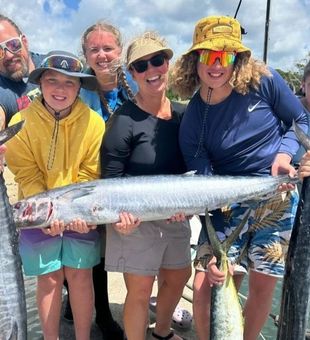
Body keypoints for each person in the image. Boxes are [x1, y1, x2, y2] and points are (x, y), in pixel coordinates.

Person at [170, 15, 308, 340]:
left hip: (277, 194)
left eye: (225, 55)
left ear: (238, 58)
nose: (216, 65)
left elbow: (300, 119)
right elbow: (206, 182)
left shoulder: (265, 81)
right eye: (208, 55)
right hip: (226, 203)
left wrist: (285, 153)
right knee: (207, 287)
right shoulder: (192, 119)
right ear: (195, 59)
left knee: (262, 284)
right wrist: (212, 233)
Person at [5, 50, 105, 340]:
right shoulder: (21, 121)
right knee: (48, 280)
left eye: (69, 83)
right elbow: (26, 172)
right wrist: (47, 213)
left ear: (79, 88)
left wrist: (75, 213)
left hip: (80, 214)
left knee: (81, 277)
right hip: (36, 214)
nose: (60, 89)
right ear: (40, 83)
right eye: (52, 81)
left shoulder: (94, 123)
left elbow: (90, 174)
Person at [100, 31, 192, 340]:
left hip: (176, 217)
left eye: (157, 60)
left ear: (168, 62)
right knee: (140, 290)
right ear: (132, 74)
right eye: (141, 66)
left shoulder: (184, 114)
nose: (151, 70)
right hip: (133, 221)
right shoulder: (122, 121)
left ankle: (162, 331)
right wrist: (119, 222)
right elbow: (110, 182)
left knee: (180, 276)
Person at [62, 21, 136, 339]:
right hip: (89, 182)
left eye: (108, 48)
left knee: (115, 254)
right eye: (94, 49)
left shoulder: (137, 81)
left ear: (120, 51)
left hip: (128, 184)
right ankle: (102, 314)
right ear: (85, 55)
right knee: (93, 253)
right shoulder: (79, 89)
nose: (102, 55)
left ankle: (81, 303)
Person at [0, 14, 44, 128]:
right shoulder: (3, 89)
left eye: (13, 44)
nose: (8, 55)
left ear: (24, 42)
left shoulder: (50, 65)